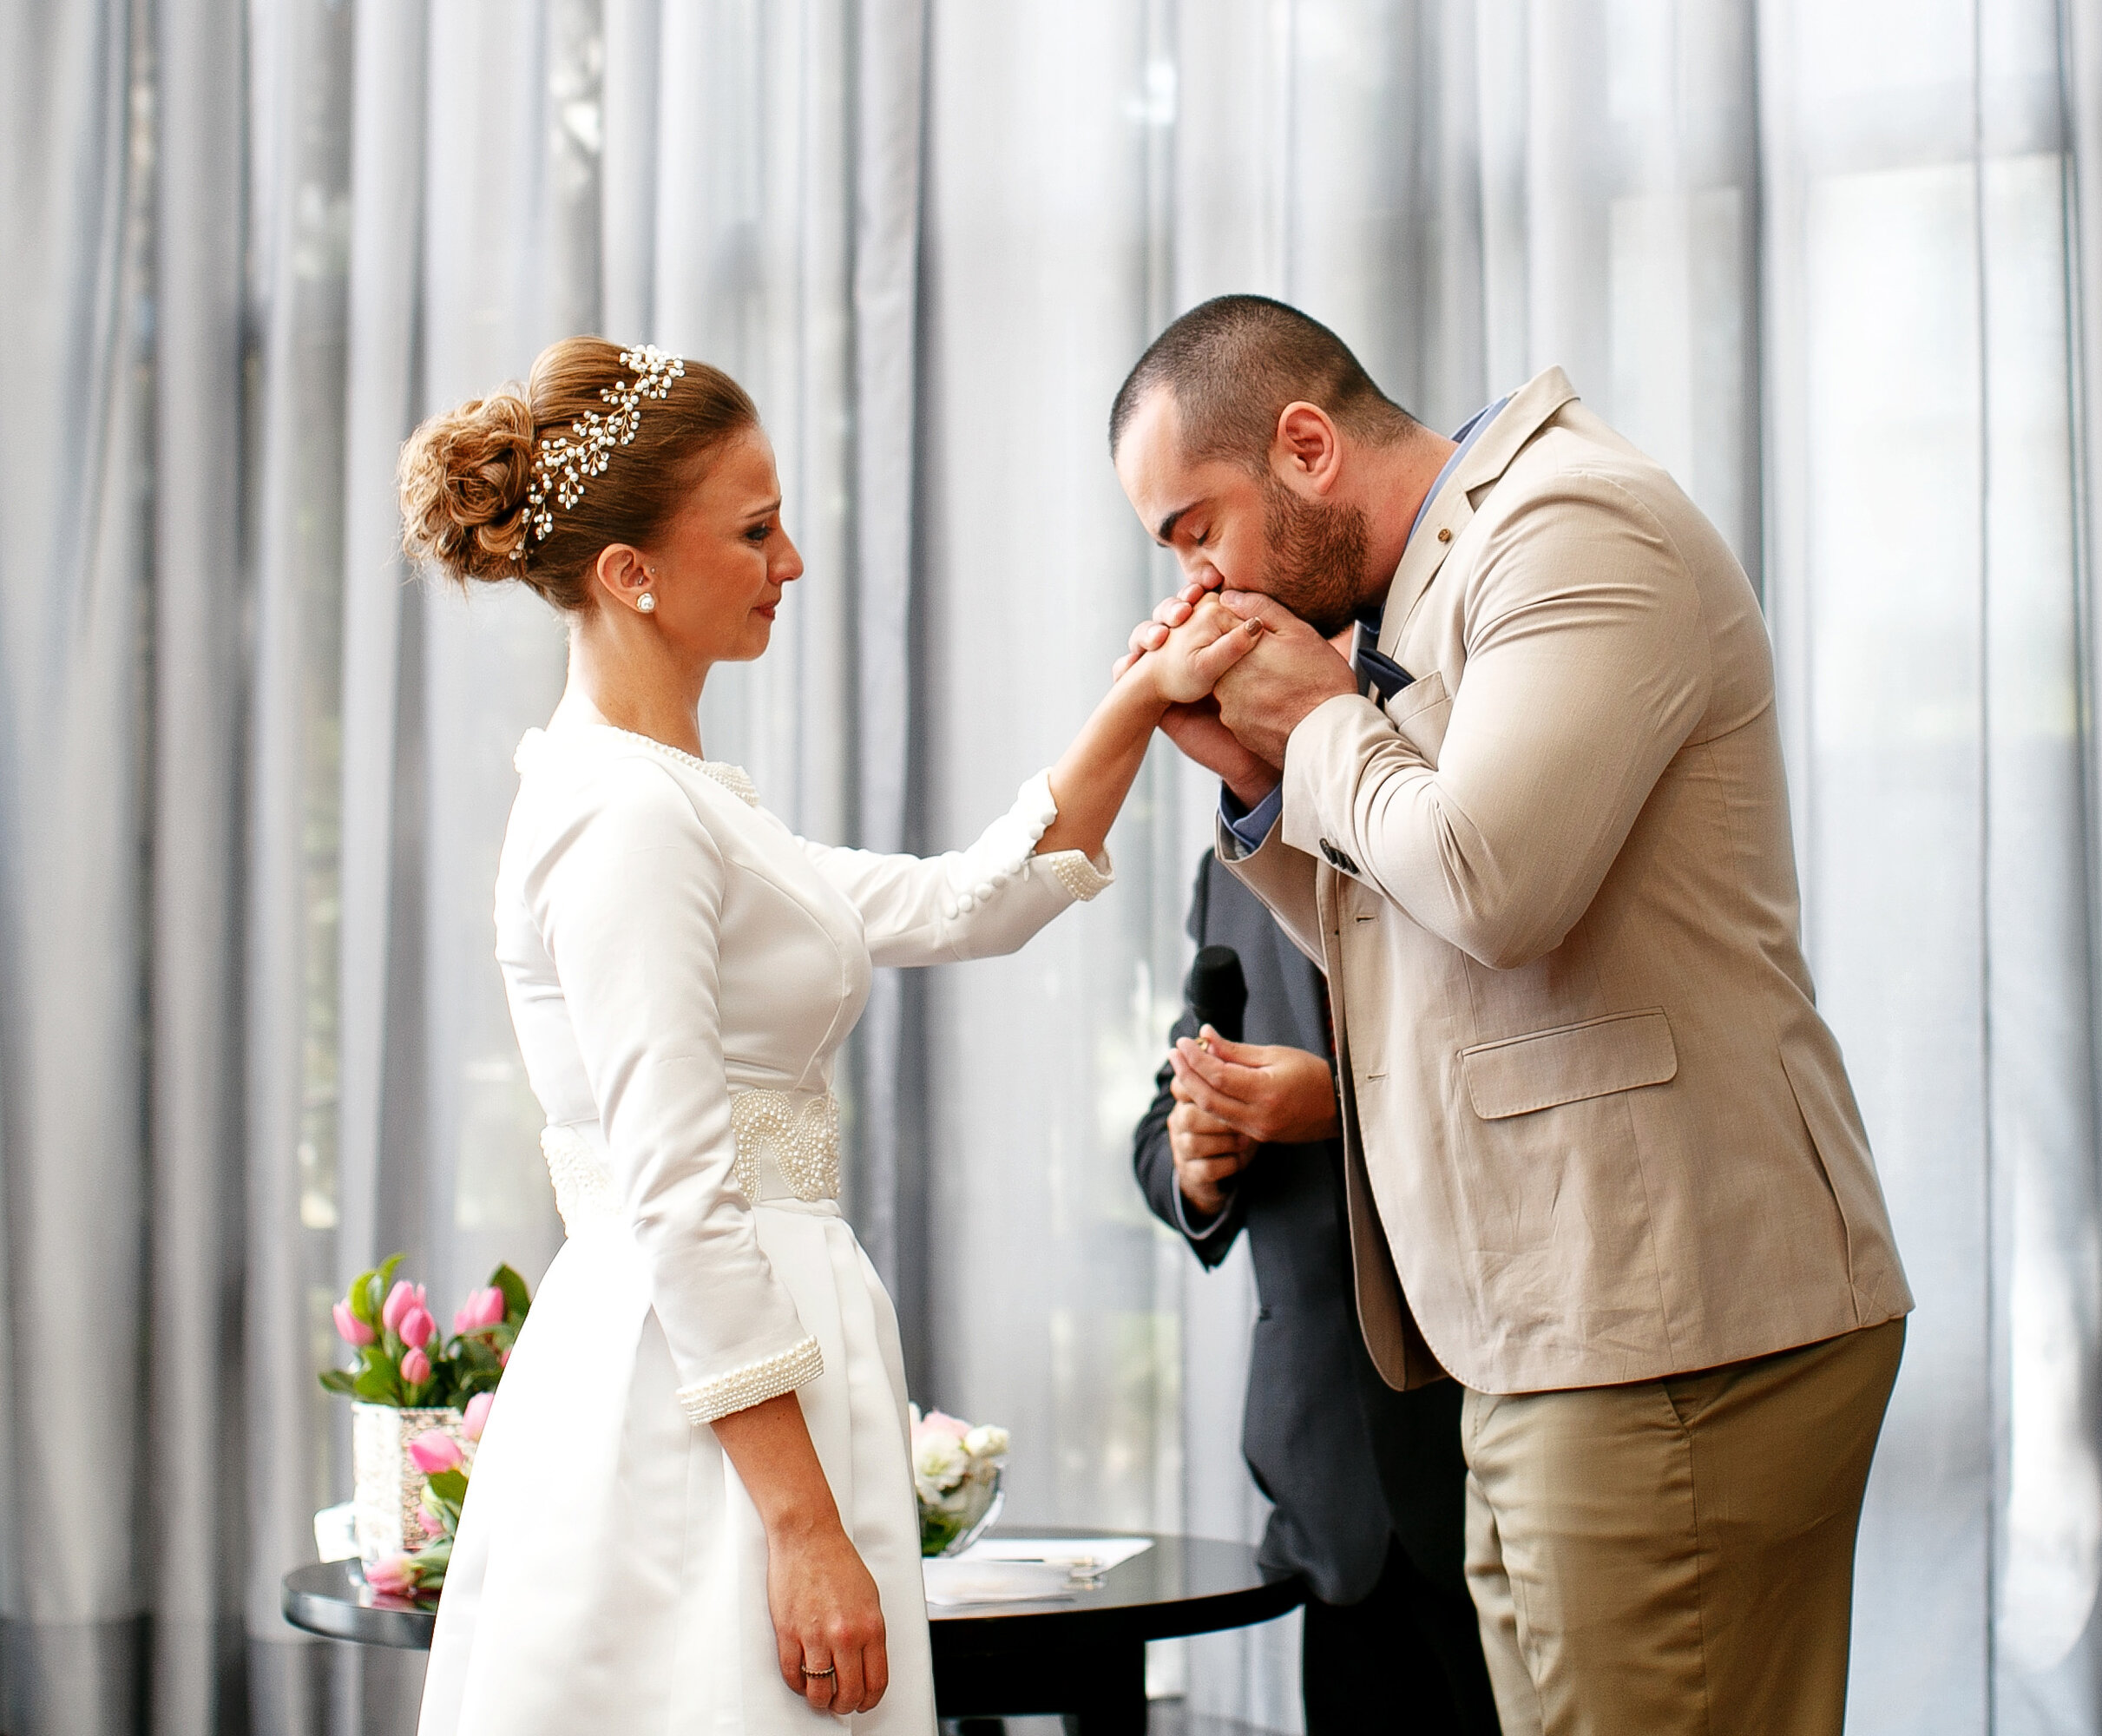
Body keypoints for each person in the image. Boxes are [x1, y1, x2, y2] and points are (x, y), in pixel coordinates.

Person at [395, 337, 1260, 1735]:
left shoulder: (692, 806)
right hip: (697, 1412)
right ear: (632, 575)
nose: (790, 560)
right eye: (754, 529)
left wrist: (1140, 703)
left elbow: (969, 899)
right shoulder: (622, 818)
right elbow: (679, 1190)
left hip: (760, 1369)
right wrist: (801, 1530)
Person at [1110, 295, 1913, 1736]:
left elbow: (1494, 883)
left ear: (1305, 446)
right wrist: (1260, 785)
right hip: (1553, 1330)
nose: (1192, 578)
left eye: (1191, 526)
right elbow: (1413, 958)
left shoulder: (1571, 528)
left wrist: (1321, 725)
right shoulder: (1424, 592)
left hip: (1666, 1323)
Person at [1134, 848, 1499, 1735]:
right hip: (1325, 1482)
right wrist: (1195, 1162)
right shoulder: (1227, 867)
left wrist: (1338, 1107)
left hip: (1485, 1447)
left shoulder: (1444, 829)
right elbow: (1163, 1117)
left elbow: (1517, 1078)